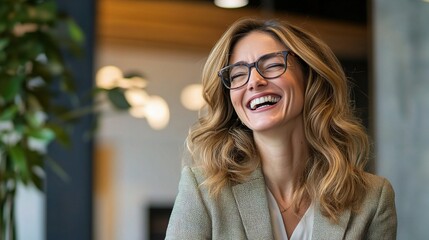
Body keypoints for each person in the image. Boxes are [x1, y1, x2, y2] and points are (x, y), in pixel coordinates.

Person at [165, 18, 397, 240]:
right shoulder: (204, 190)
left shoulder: (372, 198)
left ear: (309, 77)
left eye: (273, 64)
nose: (254, 81)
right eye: (237, 75)